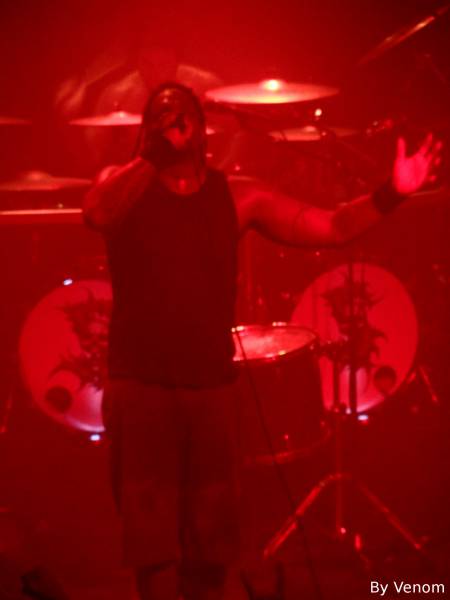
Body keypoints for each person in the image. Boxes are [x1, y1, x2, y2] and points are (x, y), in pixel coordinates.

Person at [83, 82, 441, 600]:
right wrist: (151, 156)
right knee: (152, 547)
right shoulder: (123, 187)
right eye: (159, 114)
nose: (171, 121)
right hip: (141, 388)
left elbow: (333, 225)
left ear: (203, 129)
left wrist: (393, 192)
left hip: (211, 389)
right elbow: (96, 214)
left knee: (210, 546)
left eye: (180, 113)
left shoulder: (238, 195)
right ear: (145, 129)